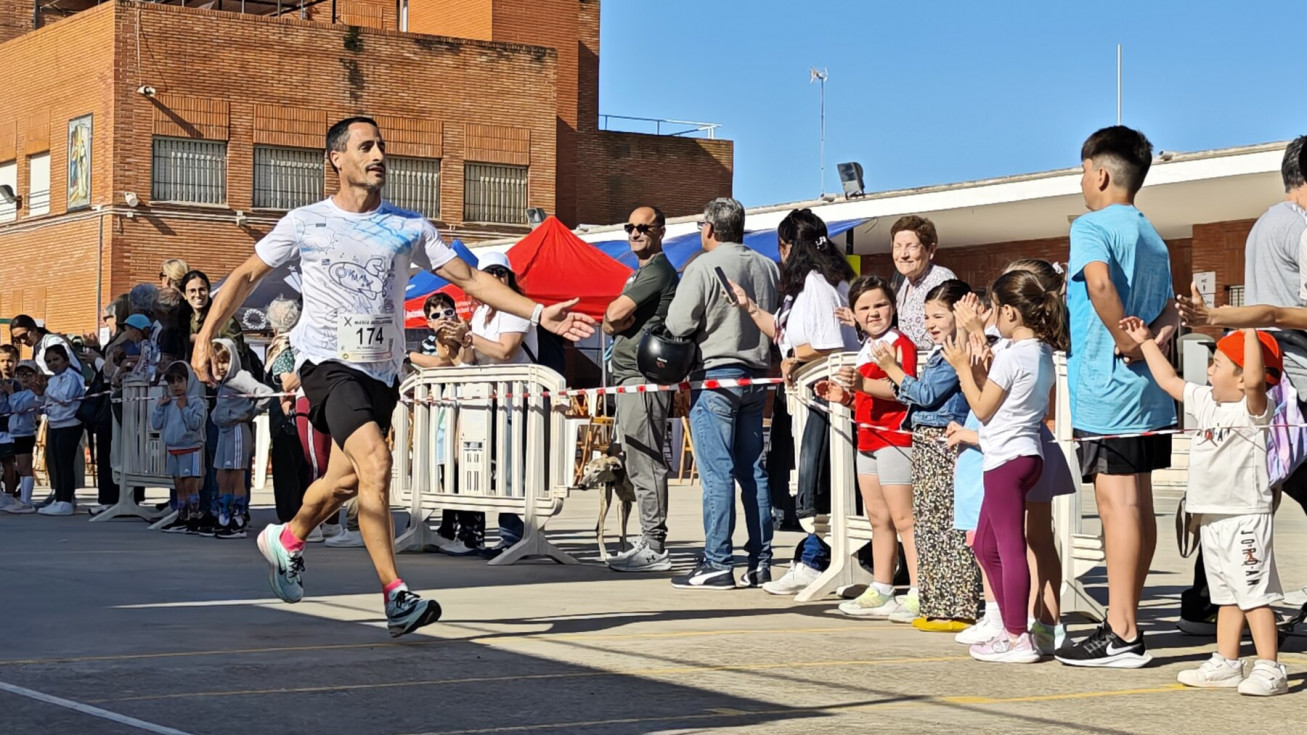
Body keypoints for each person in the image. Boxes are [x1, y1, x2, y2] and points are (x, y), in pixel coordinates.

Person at [194, 116, 593, 637]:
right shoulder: (305, 223)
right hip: (327, 364)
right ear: (337, 158)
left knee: (344, 481)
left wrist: (538, 313)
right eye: (366, 147)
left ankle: (287, 538)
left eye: (381, 146)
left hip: (381, 371)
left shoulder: (409, 227)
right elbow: (247, 274)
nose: (379, 154)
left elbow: (471, 278)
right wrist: (204, 336)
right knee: (377, 463)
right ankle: (395, 595)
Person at [1171, 136, 1307, 633]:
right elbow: (1286, 313)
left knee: (1243, 493)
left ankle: (1205, 601)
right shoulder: (1301, 227)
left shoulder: (1266, 224)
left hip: (1267, 377)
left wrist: (1224, 318)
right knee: (1250, 494)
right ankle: (1214, 602)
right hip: (1293, 380)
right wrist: (1224, 316)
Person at [1056, 125, 1178, 669]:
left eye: (1084, 171)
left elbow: (1100, 284)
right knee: (1139, 504)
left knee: (1117, 506)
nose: (1082, 181)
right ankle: (1125, 621)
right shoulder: (1152, 235)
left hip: (1108, 391)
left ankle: (1122, 630)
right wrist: (1150, 342)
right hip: (1150, 391)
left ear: (1101, 174)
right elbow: (1171, 308)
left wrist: (1124, 339)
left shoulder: (1090, 225)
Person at [1122, 321, 1288, 695]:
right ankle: (1227, 662)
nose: (1209, 369)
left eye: (1218, 363)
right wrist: (1146, 343)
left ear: (1243, 377)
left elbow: (1257, 382)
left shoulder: (1254, 408)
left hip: (1245, 517)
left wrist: (1247, 328)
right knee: (1225, 596)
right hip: (1211, 517)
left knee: (1254, 595)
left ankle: (1270, 667)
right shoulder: (1206, 401)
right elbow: (1169, 381)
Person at [723, 208, 857, 592]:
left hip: (823, 398)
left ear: (788, 247)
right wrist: (749, 306)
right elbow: (784, 334)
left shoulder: (818, 283)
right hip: (805, 398)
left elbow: (827, 342)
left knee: (818, 481)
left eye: (781, 246)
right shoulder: (808, 286)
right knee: (806, 479)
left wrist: (795, 358)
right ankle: (813, 555)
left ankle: (815, 558)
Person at [944, 268, 1064, 664]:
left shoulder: (1014, 355)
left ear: (1011, 313)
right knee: (985, 544)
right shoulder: (1040, 351)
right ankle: (1010, 625)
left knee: (1010, 549)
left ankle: (1016, 636)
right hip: (1024, 454)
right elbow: (997, 392)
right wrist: (977, 349)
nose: (992, 316)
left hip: (1006, 460)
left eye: (995, 309)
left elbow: (981, 408)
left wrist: (962, 366)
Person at [663, 198, 779, 590]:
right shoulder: (767, 267)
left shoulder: (702, 266)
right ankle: (760, 561)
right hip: (757, 375)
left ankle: (717, 562)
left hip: (716, 374)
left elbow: (678, 323)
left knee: (717, 473)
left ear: (710, 229)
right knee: (753, 471)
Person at [872, 279, 978, 631]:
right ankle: (936, 602)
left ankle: (957, 605)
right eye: (927, 317)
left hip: (943, 441)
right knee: (930, 525)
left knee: (947, 525)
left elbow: (927, 395)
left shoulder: (955, 353)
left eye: (938, 316)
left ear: (959, 315)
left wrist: (892, 369)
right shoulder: (940, 352)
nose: (930, 324)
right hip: (926, 440)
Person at [826, 276, 919, 619]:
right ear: (854, 314)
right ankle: (882, 587)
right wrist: (846, 398)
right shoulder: (867, 347)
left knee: (904, 519)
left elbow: (905, 391)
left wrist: (863, 383)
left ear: (893, 307)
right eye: (864, 307)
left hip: (895, 440)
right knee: (878, 519)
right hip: (867, 439)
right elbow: (868, 399)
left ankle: (919, 590)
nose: (874, 313)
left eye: (880, 304)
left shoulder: (900, 344)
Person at [602, 205, 680, 573]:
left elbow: (614, 316)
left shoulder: (658, 271)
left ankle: (654, 545)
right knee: (635, 461)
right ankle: (649, 539)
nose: (635, 233)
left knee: (645, 462)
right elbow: (609, 320)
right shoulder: (641, 273)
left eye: (643, 228)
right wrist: (611, 321)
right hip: (630, 377)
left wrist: (614, 321)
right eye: (629, 227)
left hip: (643, 378)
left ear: (660, 231)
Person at [466, 251, 535, 552]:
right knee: (492, 466)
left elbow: (506, 351)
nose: (495, 277)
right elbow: (469, 358)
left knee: (512, 467)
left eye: (500, 272)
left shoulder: (514, 307)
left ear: (509, 277)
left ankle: (515, 535)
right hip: (489, 400)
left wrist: (469, 338)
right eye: (489, 273)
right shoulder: (480, 313)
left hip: (516, 400)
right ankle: (505, 534)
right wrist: (457, 339)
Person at [411, 292, 481, 555]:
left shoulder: (467, 337)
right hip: (439, 415)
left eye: (448, 312)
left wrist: (416, 357)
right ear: (429, 321)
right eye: (436, 315)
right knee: (444, 470)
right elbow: (427, 363)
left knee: (466, 468)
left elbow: (460, 362)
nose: (443, 318)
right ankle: (447, 526)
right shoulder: (426, 343)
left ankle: (470, 532)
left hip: (467, 411)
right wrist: (416, 357)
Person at [210, 338, 276, 539]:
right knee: (221, 475)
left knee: (236, 474)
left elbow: (266, 393)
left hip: (237, 430)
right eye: (216, 362)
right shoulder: (222, 382)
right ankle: (224, 513)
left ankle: (238, 517)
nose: (221, 367)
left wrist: (249, 413)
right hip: (224, 431)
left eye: (224, 361)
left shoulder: (240, 377)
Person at [152, 361, 208, 534]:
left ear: (189, 380)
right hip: (173, 449)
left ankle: (194, 517)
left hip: (191, 448)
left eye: (180, 380)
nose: (176, 385)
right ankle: (182, 517)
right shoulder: (168, 403)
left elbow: (196, 423)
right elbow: (156, 424)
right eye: (172, 381)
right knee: (179, 485)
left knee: (191, 484)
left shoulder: (196, 402)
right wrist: (159, 407)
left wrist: (184, 409)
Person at [890, 216, 957, 350]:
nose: (903, 254)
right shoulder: (903, 283)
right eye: (898, 246)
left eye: (912, 246)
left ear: (931, 250)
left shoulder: (942, 280)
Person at [37, 345, 85, 517]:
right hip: (55, 423)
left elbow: (65, 398)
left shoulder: (72, 376)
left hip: (69, 424)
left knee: (65, 464)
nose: (53, 364)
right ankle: (59, 498)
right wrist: (40, 393)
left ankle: (66, 500)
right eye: (49, 361)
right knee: (57, 464)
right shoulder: (53, 379)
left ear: (66, 359)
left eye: (56, 359)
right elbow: (47, 401)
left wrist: (46, 389)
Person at [0, 361, 41, 513]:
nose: (24, 378)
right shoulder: (19, 392)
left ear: (35, 375)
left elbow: (18, 407)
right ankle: (23, 500)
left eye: (28, 374)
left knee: (25, 468)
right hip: (16, 433)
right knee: (22, 468)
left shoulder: (32, 393)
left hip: (25, 433)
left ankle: (26, 501)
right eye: (21, 374)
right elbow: (7, 408)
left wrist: (11, 393)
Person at [9, 315, 81, 376]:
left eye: (24, 336)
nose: (22, 341)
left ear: (34, 329)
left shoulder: (53, 342)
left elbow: (73, 368)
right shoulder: (35, 346)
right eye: (17, 339)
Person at [0, 345, 18, 505]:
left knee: (8, 464)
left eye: (10, 360)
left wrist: (9, 392)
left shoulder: (18, 384)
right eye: (2, 361)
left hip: (10, 430)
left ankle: (10, 495)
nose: (6, 364)